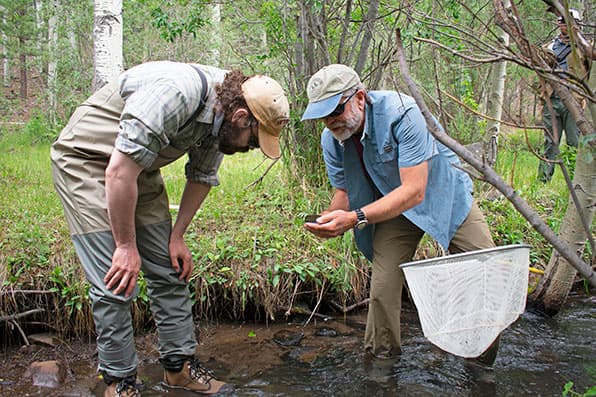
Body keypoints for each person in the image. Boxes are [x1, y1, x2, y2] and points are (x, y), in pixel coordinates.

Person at [51, 61, 289, 396]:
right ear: (241, 118)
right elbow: (118, 173)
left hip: (137, 166)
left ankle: (179, 370)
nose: (249, 149)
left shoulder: (221, 118)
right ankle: (120, 383)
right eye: (254, 141)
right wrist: (125, 245)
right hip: (87, 162)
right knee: (116, 279)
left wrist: (176, 237)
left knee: (170, 267)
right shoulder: (176, 94)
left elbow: (201, 176)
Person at [301, 64, 496, 362]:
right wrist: (329, 220)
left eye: (335, 110)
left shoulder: (403, 113)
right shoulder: (332, 140)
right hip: (394, 208)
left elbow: (415, 191)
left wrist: (354, 218)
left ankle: (482, 362)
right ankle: (382, 367)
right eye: (322, 115)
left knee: (485, 271)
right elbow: (343, 192)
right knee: (382, 288)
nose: (330, 121)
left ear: (360, 98)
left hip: (444, 196)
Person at [537, 9, 583, 183]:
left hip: (574, 102)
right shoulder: (549, 47)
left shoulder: (584, 47)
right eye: (561, 21)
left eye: (568, 21)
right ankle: (543, 180)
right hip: (552, 100)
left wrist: (583, 97)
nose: (564, 24)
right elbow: (540, 74)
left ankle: (576, 181)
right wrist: (543, 95)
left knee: (574, 143)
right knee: (550, 142)